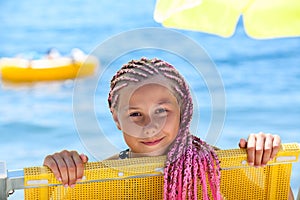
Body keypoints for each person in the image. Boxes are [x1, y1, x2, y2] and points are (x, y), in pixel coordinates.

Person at [44, 58, 286, 199]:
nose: (150, 127)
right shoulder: (97, 182)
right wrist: (60, 174)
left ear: (183, 110)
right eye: (135, 114)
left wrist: (266, 161)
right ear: (116, 119)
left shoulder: (220, 169)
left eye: (162, 111)